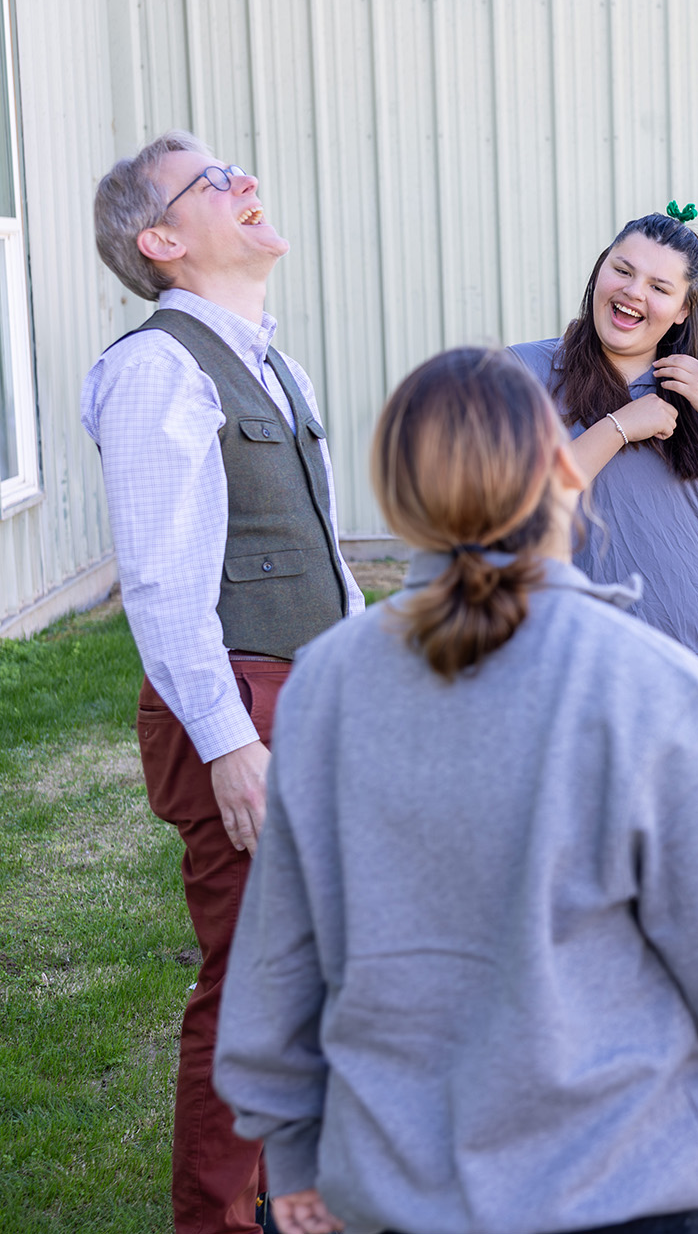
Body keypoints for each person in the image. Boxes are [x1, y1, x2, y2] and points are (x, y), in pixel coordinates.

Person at [212, 348, 698, 1234]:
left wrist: (291, 1148)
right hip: (619, 1193)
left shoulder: (325, 685)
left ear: (398, 500)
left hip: (390, 1195)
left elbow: (281, 955)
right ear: (564, 466)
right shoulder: (653, 688)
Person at [83, 131, 365, 1233]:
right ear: (162, 241)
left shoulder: (266, 358)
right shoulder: (157, 365)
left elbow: (316, 554)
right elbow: (161, 581)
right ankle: (216, 1217)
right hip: (240, 706)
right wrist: (227, 737)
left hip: (305, 694)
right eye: (217, 180)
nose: (249, 181)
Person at [510, 210, 698, 678]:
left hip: (692, 646)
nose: (633, 292)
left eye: (659, 287)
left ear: (684, 308)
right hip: (566, 648)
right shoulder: (526, 371)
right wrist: (619, 426)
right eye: (622, 271)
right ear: (601, 269)